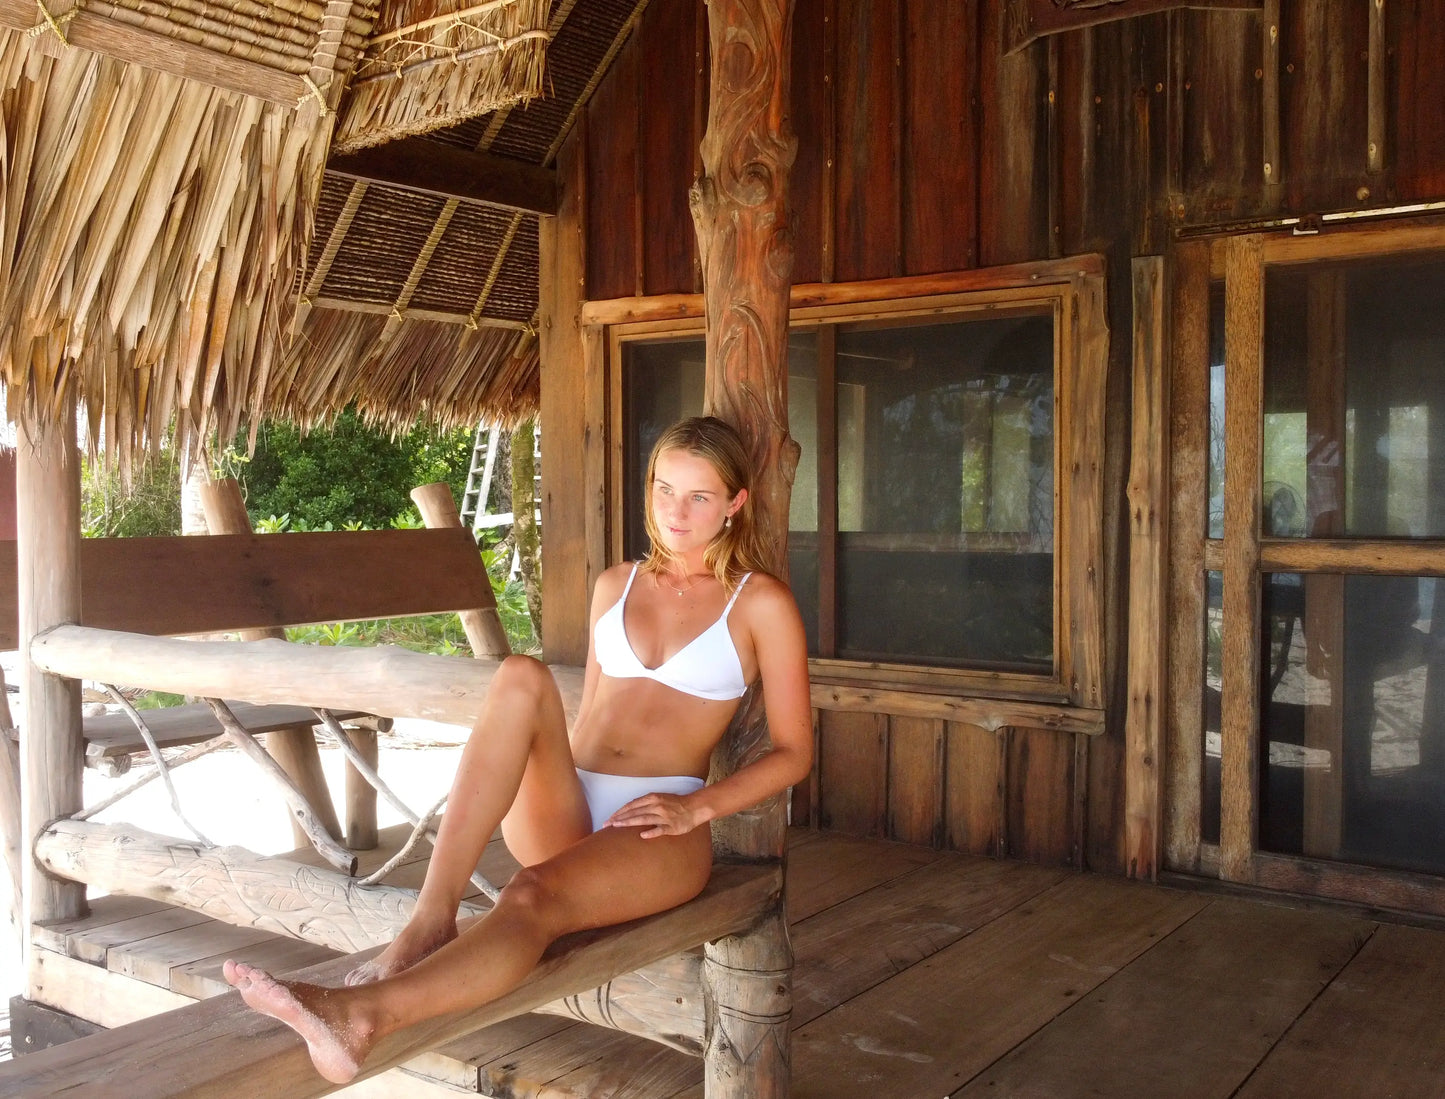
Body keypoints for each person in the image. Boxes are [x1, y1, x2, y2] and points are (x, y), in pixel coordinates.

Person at [223, 415, 814, 1084]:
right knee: (519, 674)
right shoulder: (615, 585)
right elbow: (594, 709)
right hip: (569, 801)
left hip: (659, 822)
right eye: (664, 489)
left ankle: (360, 1016)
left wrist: (697, 809)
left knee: (530, 894)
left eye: (699, 497)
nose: (675, 512)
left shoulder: (760, 603)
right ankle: (431, 916)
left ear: (735, 502)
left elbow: (794, 751)